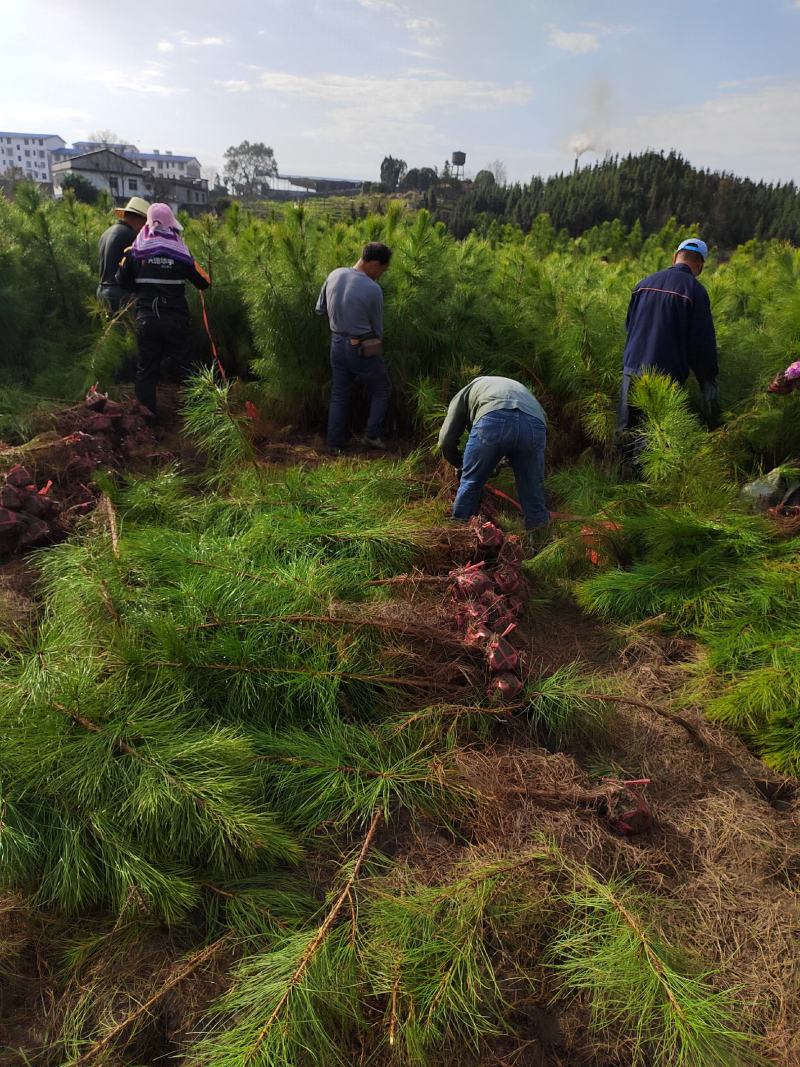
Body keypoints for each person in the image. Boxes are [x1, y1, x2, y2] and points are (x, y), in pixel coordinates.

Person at [617, 237, 719, 441]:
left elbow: (629, 326)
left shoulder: (643, 284)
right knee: (654, 438)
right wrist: (707, 379)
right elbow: (701, 343)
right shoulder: (695, 292)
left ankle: (621, 473)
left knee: (626, 434)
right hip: (666, 376)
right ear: (700, 265)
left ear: (675, 257)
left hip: (632, 370)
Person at [115, 202, 210, 417]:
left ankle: (147, 419)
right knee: (187, 367)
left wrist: (141, 286)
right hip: (175, 321)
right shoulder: (180, 252)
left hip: (146, 320)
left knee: (146, 370)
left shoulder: (134, 252)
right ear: (171, 224)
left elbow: (121, 281)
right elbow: (204, 281)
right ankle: (202, 414)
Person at [438, 375, 549, 532]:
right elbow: (529, 431)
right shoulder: (518, 387)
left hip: (493, 418)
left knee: (471, 483)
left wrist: (462, 466)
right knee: (533, 495)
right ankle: (543, 551)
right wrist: (503, 462)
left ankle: (458, 538)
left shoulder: (466, 391)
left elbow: (445, 441)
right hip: (534, 424)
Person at [315, 242, 392, 454]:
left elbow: (320, 309)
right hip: (363, 344)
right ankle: (372, 435)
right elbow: (377, 329)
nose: (381, 275)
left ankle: (334, 444)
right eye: (383, 270)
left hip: (337, 343)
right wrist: (374, 350)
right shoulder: (373, 289)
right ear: (375, 264)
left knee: (340, 393)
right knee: (382, 387)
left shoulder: (334, 274)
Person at [97, 196, 150, 312]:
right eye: (145, 224)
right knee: (127, 329)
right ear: (138, 219)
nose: (144, 229)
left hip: (101, 291)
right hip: (120, 294)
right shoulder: (130, 236)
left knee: (110, 329)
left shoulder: (106, 233)